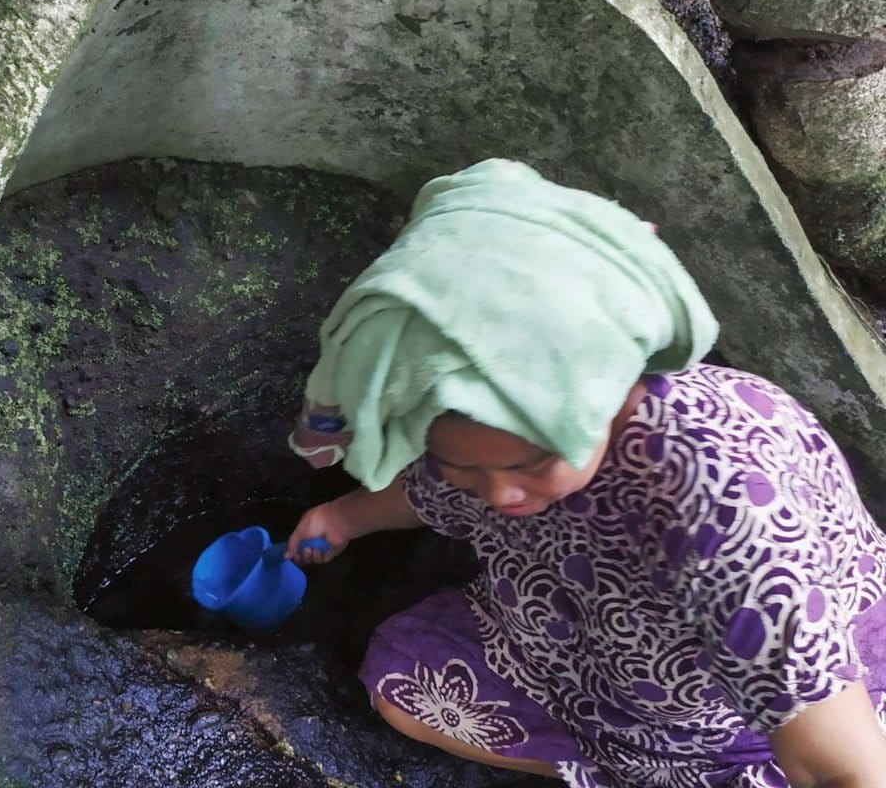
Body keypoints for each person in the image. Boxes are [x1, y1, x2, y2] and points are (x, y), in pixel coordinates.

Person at [284, 160, 886, 787]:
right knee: (399, 683)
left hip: (744, 719)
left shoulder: (730, 512)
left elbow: (839, 766)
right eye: (456, 463)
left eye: (531, 463)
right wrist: (343, 516)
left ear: (608, 390)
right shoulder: (508, 427)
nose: (499, 495)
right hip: (584, 644)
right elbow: (434, 490)